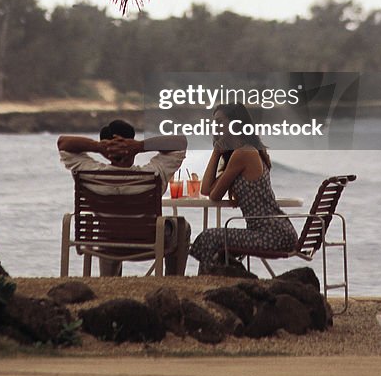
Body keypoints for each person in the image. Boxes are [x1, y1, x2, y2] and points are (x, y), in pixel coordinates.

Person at [58, 119, 190, 276]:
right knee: (182, 226)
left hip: (107, 244)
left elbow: (63, 143)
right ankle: (173, 280)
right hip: (148, 243)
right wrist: (140, 146)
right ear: (131, 144)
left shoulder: (88, 174)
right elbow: (181, 142)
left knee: (108, 228)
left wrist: (98, 147)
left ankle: (108, 280)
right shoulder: (153, 174)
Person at [189, 103, 297, 274]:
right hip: (274, 232)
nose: (214, 127)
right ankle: (215, 282)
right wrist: (217, 151)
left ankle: (206, 283)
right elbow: (206, 190)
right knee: (212, 237)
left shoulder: (243, 153)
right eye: (213, 123)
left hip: (272, 234)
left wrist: (217, 152)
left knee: (209, 237)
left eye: (219, 122)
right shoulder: (241, 153)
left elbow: (214, 195)